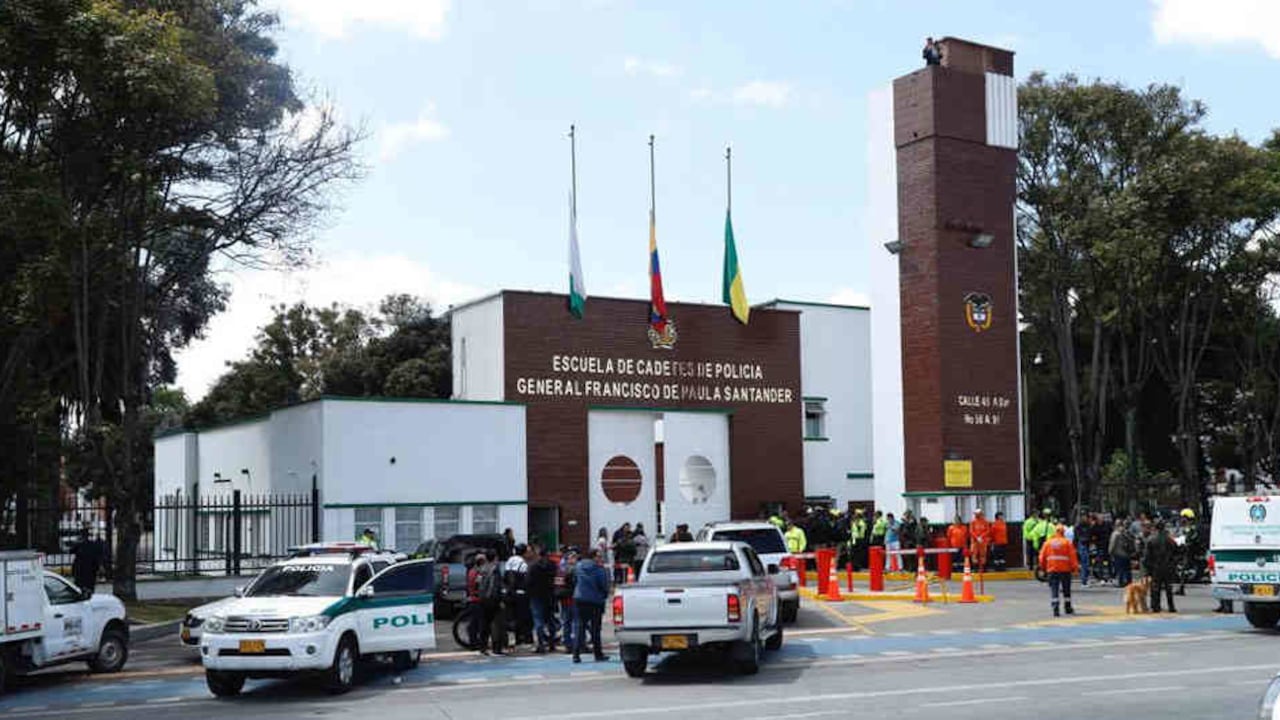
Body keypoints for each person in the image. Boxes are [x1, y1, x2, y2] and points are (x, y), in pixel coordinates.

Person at [572, 548, 610, 663]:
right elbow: (604, 585)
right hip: (595, 601)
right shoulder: (599, 569)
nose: (601, 559)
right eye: (599, 556)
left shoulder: (578, 566)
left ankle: (576, 654)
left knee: (579, 627)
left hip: (580, 599)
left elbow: (574, 579)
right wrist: (604, 595)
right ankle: (598, 654)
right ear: (594, 557)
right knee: (595, 629)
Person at [1038, 524, 1079, 617]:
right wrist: (1075, 569)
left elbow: (1042, 557)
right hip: (1065, 570)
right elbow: (1073, 557)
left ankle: (1055, 607)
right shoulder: (1067, 543)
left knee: (1054, 589)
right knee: (1066, 590)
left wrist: (1043, 568)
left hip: (1052, 569)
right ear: (1063, 532)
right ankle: (1067, 607)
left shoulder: (1048, 543)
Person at [527, 545, 558, 653]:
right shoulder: (552, 565)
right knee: (550, 619)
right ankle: (552, 643)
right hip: (549, 594)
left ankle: (541, 644)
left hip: (536, 595)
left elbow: (528, 581)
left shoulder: (533, 566)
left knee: (538, 619)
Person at [1144, 521, 1178, 613]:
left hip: (1155, 567)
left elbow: (1147, 556)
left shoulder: (1151, 539)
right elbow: (1176, 551)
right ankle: (1171, 606)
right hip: (1168, 566)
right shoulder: (1170, 540)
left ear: (1155, 528)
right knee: (1168, 587)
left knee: (1155, 588)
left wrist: (1147, 569)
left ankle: (1155, 606)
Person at [504, 544, 531, 646]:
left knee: (512, 615)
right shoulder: (523, 563)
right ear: (524, 552)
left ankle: (515, 637)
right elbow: (525, 579)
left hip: (509, 592)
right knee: (523, 616)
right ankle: (523, 638)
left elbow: (506, 577)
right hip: (520, 592)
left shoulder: (509, 561)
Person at [466, 555, 491, 654]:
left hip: (473, 599)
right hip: (477, 600)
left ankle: (474, 642)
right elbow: (478, 585)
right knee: (479, 623)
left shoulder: (471, 571)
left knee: (474, 623)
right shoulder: (478, 573)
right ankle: (477, 643)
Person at [71, 526, 105, 594]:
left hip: (80, 571)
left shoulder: (79, 545)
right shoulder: (93, 545)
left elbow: (71, 551)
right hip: (90, 571)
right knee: (90, 588)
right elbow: (98, 557)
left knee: (79, 590)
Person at [1109, 518, 1134, 589]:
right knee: (1127, 568)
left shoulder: (1115, 533)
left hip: (1118, 553)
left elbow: (1112, 544)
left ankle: (1121, 582)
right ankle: (1129, 581)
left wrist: (1110, 552)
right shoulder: (1126, 532)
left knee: (1120, 569)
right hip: (1127, 553)